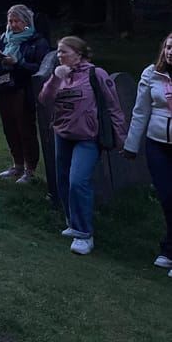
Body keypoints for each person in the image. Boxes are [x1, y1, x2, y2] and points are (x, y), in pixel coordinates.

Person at [38, 36, 125, 255]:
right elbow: (45, 100)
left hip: (88, 137)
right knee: (63, 181)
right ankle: (73, 222)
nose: (60, 56)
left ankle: (85, 235)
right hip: (62, 134)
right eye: (58, 52)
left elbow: (113, 107)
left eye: (64, 52)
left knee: (78, 181)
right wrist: (55, 79)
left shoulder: (96, 74)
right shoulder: (59, 75)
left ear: (79, 54)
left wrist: (123, 139)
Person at [0, 4, 50, 184]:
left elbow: (41, 68)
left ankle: (30, 169)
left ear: (26, 22)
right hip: (3, 88)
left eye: (17, 21)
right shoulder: (4, 38)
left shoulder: (37, 41)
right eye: (10, 21)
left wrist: (17, 63)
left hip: (22, 89)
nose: (13, 25)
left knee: (25, 128)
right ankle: (17, 164)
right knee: (9, 127)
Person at [122, 31, 172, 275]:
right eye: (168, 47)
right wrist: (131, 145)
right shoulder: (151, 74)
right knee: (167, 197)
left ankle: (168, 249)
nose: (171, 52)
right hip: (157, 143)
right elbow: (140, 111)